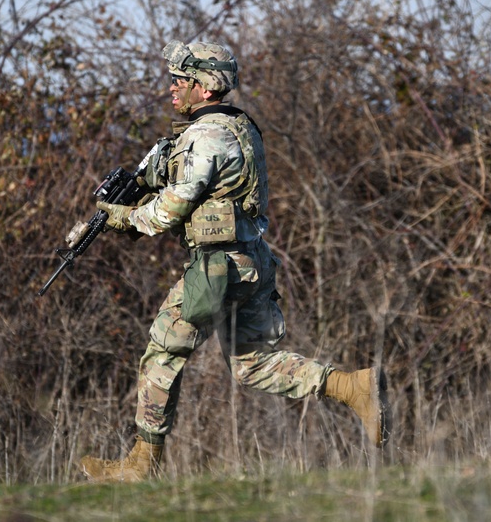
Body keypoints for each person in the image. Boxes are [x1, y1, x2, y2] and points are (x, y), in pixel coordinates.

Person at [77, 40, 390, 482]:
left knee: (162, 353)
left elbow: (169, 212)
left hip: (217, 270)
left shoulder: (205, 137)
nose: (171, 89)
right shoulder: (237, 126)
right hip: (251, 260)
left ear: (204, 87)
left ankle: (140, 465)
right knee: (252, 363)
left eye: (179, 80)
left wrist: (123, 216)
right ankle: (354, 388)